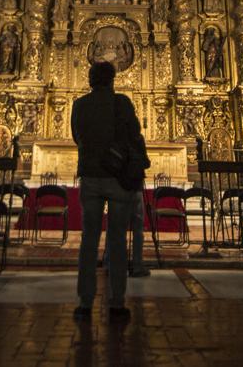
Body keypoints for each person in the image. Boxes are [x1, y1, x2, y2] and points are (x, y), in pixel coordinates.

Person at [71, 60, 149, 322]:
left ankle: (84, 302)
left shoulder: (80, 105)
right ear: (112, 80)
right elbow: (135, 134)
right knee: (117, 241)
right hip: (117, 177)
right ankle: (116, 302)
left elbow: (77, 137)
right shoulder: (122, 103)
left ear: (91, 80)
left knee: (88, 239)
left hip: (91, 177)